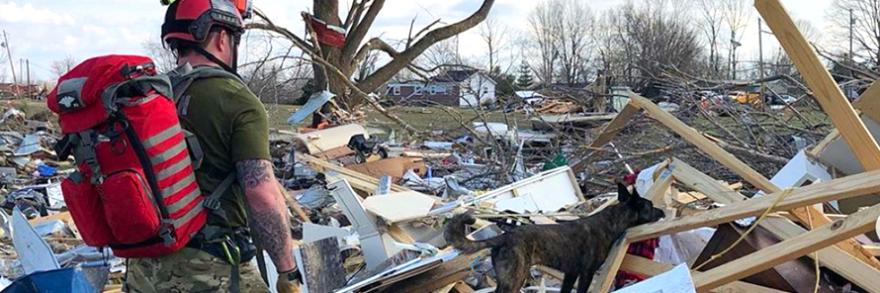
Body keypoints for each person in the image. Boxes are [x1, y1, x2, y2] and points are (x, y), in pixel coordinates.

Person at [125, 0, 300, 292]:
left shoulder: (147, 99)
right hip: (209, 268)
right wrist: (287, 270)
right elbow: (262, 196)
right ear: (222, 37)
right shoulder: (237, 100)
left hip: (144, 268)